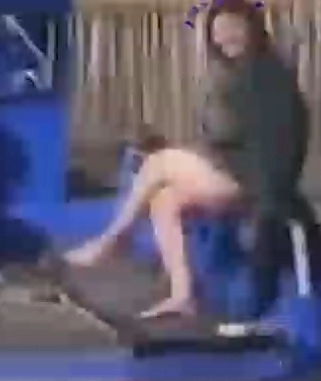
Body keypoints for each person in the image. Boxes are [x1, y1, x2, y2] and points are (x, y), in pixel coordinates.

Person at [63, 0, 313, 320]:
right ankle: (182, 295)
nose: (226, 37)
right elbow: (230, 138)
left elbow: (253, 139)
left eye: (233, 29)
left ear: (253, 29)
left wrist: (207, 147)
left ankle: (111, 241)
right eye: (219, 31)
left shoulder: (261, 74)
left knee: (158, 163)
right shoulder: (241, 72)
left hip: (255, 182)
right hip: (243, 173)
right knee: (165, 200)